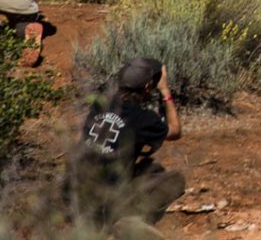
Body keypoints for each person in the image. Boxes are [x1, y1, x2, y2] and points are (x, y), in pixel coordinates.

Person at [71, 57, 183, 224]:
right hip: (107, 201)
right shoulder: (142, 119)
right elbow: (175, 130)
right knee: (176, 180)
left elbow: (78, 139)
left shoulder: (99, 105)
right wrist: (165, 91)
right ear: (147, 88)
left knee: (150, 167)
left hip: (78, 191)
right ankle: (128, 220)